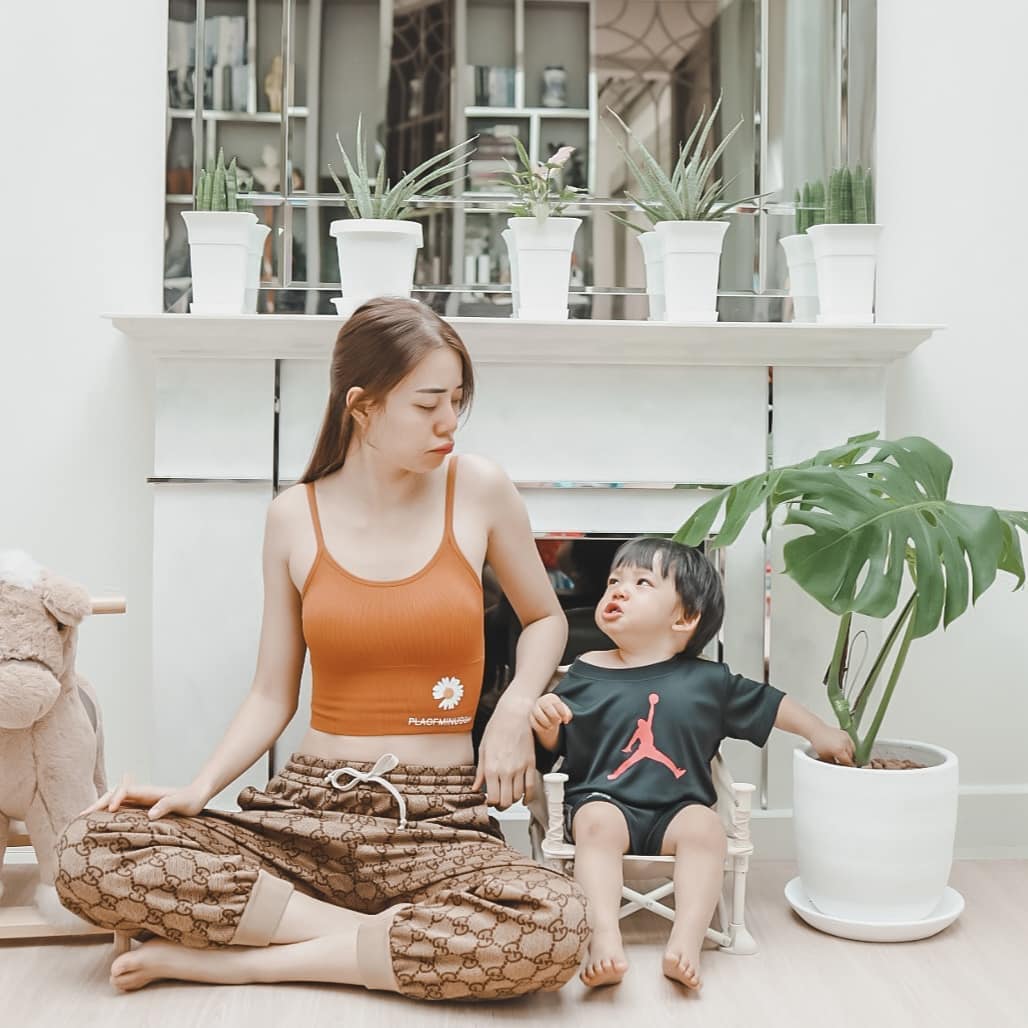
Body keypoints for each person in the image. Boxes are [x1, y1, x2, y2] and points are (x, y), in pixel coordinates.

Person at [55, 297, 589, 999]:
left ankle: (254, 960)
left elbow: (545, 618)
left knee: (558, 921)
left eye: (457, 400)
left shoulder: (478, 489)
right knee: (87, 850)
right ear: (362, 406)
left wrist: (515, 708)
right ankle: (370, 939)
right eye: (428, 403)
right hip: (306, 811)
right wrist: (198, 788)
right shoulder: (292, 516)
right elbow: (271, 693)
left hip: (440, 822)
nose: (449, 422)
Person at [530, 536, 855, 991]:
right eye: (614, 581)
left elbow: (769, 704)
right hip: (604, 800)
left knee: (706, 829)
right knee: (596, 824)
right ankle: (604, 938)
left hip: (678, 809)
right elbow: (559, 745)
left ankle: (685, 940)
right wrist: (548, 723)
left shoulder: (708, 681)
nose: (618, 589)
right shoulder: (586, 670)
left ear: (683, 618)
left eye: (642, 583)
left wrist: (818, 731)